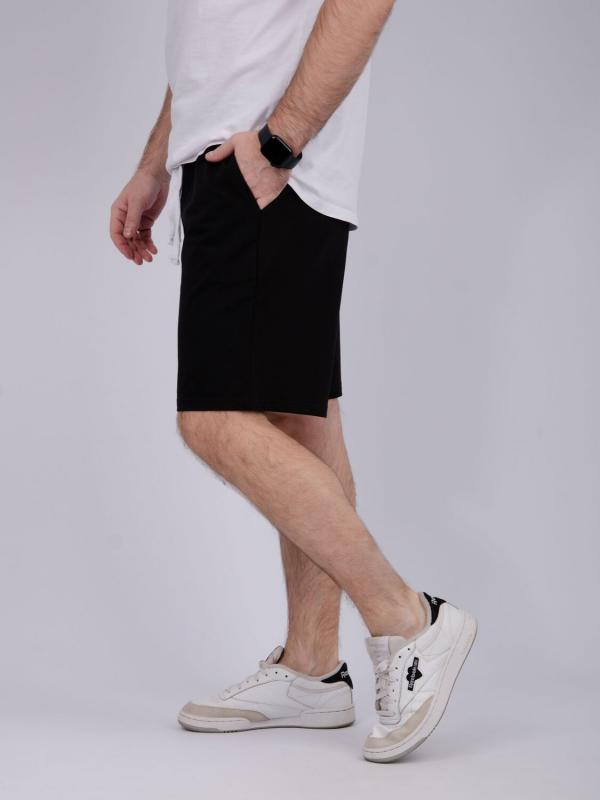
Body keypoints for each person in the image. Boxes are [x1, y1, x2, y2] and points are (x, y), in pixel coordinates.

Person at [109, 0, 476, 763]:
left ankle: (409, 618)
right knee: (300, 418)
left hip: (265, 166)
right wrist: (154, 162)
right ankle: (312, 667)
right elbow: (212, 34)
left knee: (213, 420)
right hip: (235, 160)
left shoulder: (271, 155)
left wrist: (280, 143)